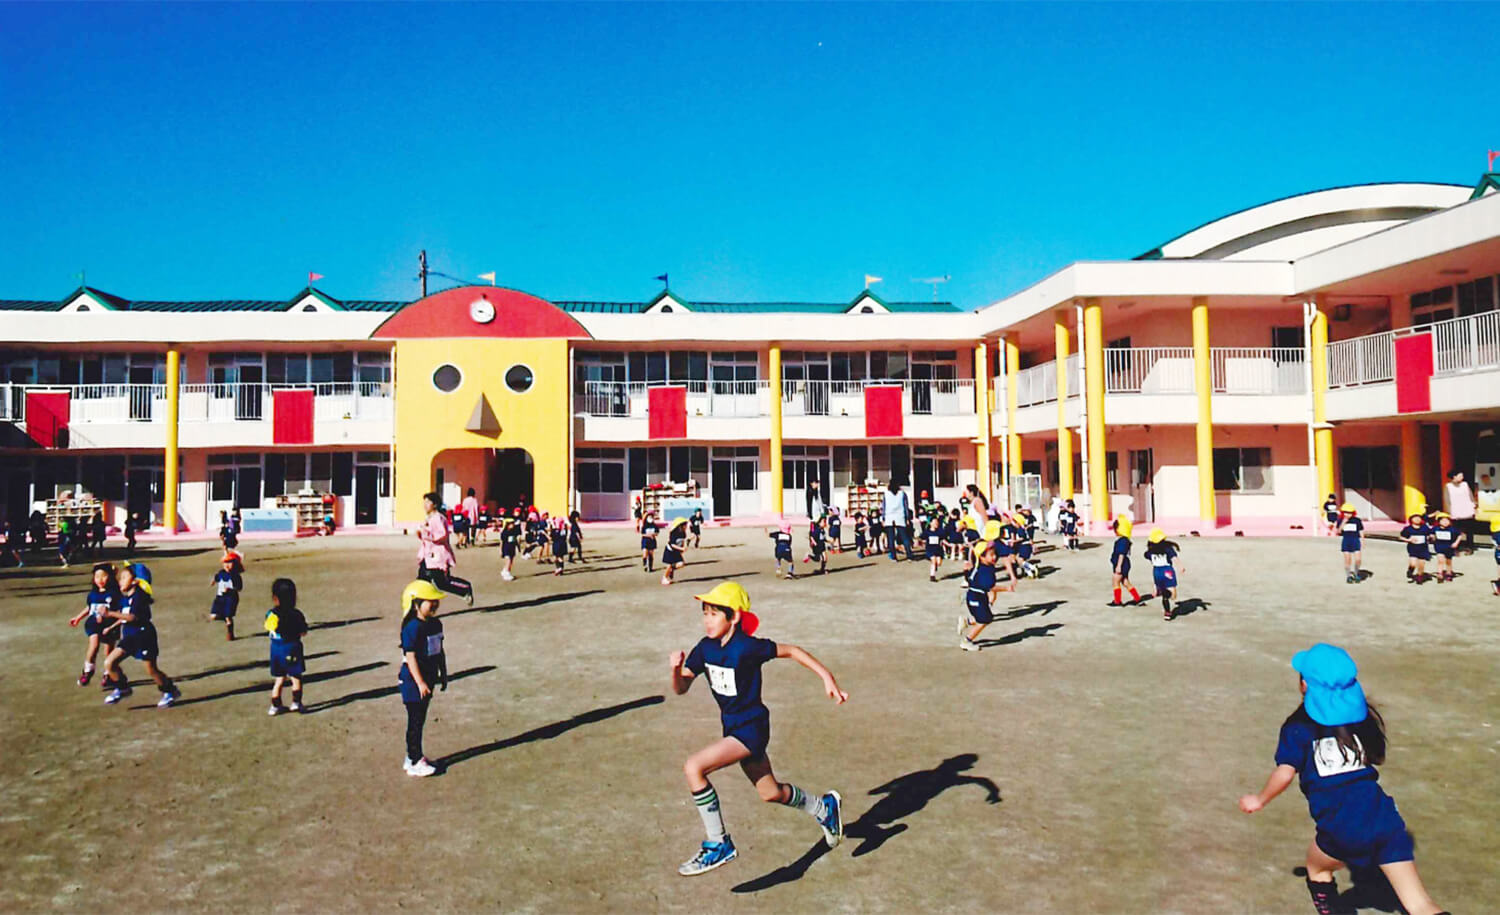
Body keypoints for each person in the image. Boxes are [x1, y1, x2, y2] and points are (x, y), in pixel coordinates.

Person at [1238, 644, 1449, 915]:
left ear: (1304, 685)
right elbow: (1376, 757)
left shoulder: (1297, 727)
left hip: (1341, 827)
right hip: (1384, 819)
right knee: (1420, 904)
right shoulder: (1363, 719)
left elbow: (1285, 772)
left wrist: (1259, 799)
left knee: (1317, 867)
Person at [669, 582, 846, 876]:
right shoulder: (705, 648)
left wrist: (827, 678)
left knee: (694, 768)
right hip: (733, 728)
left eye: (714, 614)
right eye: (705, 613)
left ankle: (718, 843)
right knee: (770, 792)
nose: (707, 619)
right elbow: (681, 688)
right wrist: (676, 671)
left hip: (751, 729)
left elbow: (791, 651)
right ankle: (823, 808)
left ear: (734, 617)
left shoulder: (748, 647)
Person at [98, 563, 180, 708]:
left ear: (135, 581)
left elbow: (132, 617)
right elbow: (124, 617)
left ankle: (170, 691)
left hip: (144, 636)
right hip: (129, 637)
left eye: (124, 577)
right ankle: (123, 688)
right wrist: (110, 626)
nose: (120, 581)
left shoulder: (139, 597)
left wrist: (110, 613)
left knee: (151, 670)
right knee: (109, 663)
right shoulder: (125, 598)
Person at [398, 579, 448, 777]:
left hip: (428, 679)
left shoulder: (436, 624)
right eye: (429, 601)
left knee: (421, 719)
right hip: (413, 682)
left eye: (436, 601)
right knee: (415, 720)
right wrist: (420, 683)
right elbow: (410, 657)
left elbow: (439, 651)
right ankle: (415, 760)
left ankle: (411, 757)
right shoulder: (411, 628)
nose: (434, 604)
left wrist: (443, 674)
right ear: (416, 603)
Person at [69, 562, 122, 689]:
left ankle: (108, 674)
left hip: (110, 626)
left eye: (104, 576)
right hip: (94, 625)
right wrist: (78, 617)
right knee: (94, 645)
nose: (100, 580)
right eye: (97, 577)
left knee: (108, 652)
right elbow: (89, 608)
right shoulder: (92, 594)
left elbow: (120, 611)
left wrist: (113, 622)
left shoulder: (114, 593)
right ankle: (88, 671)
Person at [416, 492, 473, 604]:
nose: (425, 504)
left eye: (428, 502)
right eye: (424, 502)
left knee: (441, 583)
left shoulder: (438, 518)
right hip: (427, 556)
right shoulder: (429, 518)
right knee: (422, 581)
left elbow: (442, 535)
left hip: (437, 556)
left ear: (435, 504)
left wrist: (426, 534)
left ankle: (464, 590)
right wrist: (420, 533)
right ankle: (419, 607)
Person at [265, 578, 309, 715]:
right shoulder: (296, 614)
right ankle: (296, 702)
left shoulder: (271, 614)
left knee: (279, 679)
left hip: (275, 650)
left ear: (274, 597)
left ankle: (275, 705)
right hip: (292, 648)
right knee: (296, 677)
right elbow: (303, 632)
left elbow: (268, 628)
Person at [959, 540, 1001, 651]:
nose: (994, 557)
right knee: (984, 620)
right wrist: (1007, 588)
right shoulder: (985, 570)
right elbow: (990, 587)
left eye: (994, 554)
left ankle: (967, 621)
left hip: (976, 597)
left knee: (987, 618)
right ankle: (967, 641)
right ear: (982, 557)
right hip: (976, 598)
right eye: (991, 555)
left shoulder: (980, 567)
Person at [1142, 528, 1182, 621]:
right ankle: (1164, 593)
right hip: (1167, 570)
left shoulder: (1150, 551)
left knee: (1166, 596)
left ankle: (1167, 612)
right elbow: (1174, 558)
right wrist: (1180, 567)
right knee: (1173, 595)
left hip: (1156, 572)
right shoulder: (1168, 549)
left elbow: (1146, 555)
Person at [209, 549, 244, 641]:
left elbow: (239, 588)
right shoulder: (221, 573)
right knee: (213, 616)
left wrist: (230, 589)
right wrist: (213, 581)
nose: (227, 565)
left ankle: (230, 632)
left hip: (231, 598)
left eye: (230, 563)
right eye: (225, 563)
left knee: (229, 617)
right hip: (220, 597)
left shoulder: (236, 576)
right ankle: (225, 618)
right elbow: (217, 577)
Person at [1107, 515, 1142, 607]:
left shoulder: (1122, 541)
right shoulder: (1125, 540)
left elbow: (1121, 554)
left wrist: (1118, 566)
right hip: (1124, 563)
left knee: (1116, 581)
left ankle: (1117, 601)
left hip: (1121, 564)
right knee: (1125, 582)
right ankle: (1137, 598)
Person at [1442, 469, 1477, 553]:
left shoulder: (1465, 484)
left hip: (1467, 510)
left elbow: (1470, 496)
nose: (1462, 477)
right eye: (1460, 475)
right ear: (1454, 476)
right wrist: (1448, 511)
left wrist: (1474, 506)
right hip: (1456, 511)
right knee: (1456, 531)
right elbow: (1447, 500)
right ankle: (1456, 547)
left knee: (1469, 530)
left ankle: (1469, 547)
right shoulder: (1448, 486)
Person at [1429, 512, 1463, 583]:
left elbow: (1460, 535)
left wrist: (1456, 543)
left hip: (1449, 547)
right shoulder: (1435, 528)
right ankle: (1440, 574)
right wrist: (1432, 537)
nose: (1445, 522)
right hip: (1439, 547)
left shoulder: (1452, 529)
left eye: (1447, 520)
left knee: (1448, 562)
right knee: (1440, 560)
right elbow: (1431, 534)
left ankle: (1448, 573)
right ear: (1439, 521)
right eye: (1443, 520)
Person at [1399, 513, 1432, 584]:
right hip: (1413, 548)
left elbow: (1430, 535)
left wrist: (1430, 537)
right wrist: (1409, 540)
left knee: (1421, 564)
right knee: (1413, 564)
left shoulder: (1425, 528)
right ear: (1411, 520)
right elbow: (1401, 537)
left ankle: (1420, 577)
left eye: (1419, 518)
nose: (1417, 519)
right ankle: (1410, 570)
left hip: (1423, 548)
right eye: (1415, 518)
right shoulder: (1408, 529)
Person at [882, 481, 910, 562]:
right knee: (904, 537)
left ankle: (894, 557)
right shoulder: (902, 493)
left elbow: (884, 506)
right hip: (900, 516)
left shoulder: (886, 494)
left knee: (891, 538)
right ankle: (909, 555)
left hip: (889, 516)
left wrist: (883, 518)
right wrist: (907, 518)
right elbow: (905, 506)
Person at [1336, 503, 1364, 584]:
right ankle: (1348, 576)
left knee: (1358, 560)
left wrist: (1362, 540)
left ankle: (1356, 573)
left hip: (1355, 540)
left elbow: (1361, 530)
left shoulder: (1357, 520)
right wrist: (1343, 522)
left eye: (1350, 512)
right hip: (1346, 541)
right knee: (1348, 560)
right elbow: (1338, 531)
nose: (1348, 514)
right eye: (1346, 512)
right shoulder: (1340, 520)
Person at [661, 517, 689, 585]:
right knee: (669, 565)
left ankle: (671, 570)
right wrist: (681, 549)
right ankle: (664, 578)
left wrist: (682, 548)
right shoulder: (674, 533)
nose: (686, 527)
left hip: (677, 551)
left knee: (681, 564)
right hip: (670, 551)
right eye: (685, 525)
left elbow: (682, 542)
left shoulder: (683, 533)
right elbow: (672, 544)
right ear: (681, 525)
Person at [499, 513, 520, 582]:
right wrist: (500, 550)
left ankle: (505, 570)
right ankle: (507, 573)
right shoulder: (504, 533)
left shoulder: (514, 531)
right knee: (508, 560)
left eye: (513, 524)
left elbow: (516, 540)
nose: (512, 525)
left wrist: (518, 547)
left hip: (512, 548)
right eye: (511, 524)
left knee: (511, 560)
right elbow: (502, 542)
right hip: (506, 548)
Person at [924, 516, 945, 582]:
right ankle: (932, 576)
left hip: (938, 549)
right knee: (933, 560)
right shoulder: (927, 532)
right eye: (934, 522)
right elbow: (921, 538)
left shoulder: (940, 532)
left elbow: (943, 540)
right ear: (930, 523)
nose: (936, 524)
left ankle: (935, 566)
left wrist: (947, 545)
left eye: (937, 522)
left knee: (939, 563)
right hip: (930, 549)